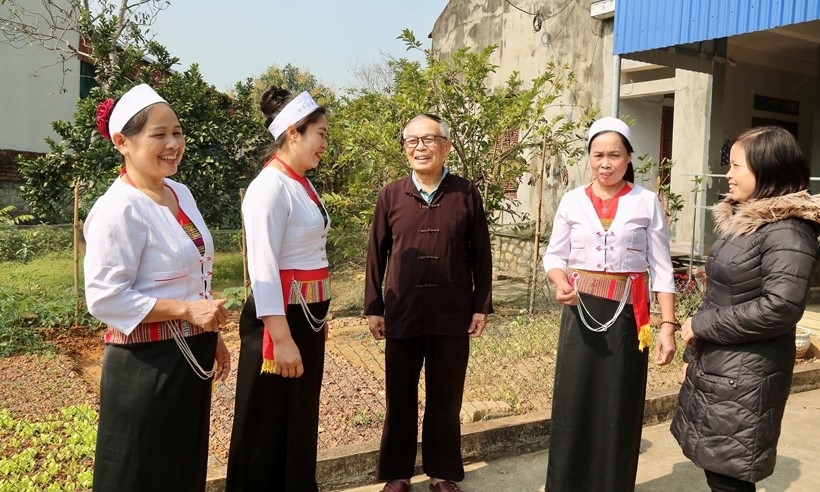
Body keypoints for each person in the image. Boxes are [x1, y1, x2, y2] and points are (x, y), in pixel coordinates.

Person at [84, 83, 231, 492]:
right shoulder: (118, 208)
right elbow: (104, 296)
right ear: (122, 142)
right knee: (139, 474)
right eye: (159, 134)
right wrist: (186, 313)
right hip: (145, 365)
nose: (173, 144)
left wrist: (208, 331)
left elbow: (193, 272)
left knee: (182, 468)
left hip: (189, 354)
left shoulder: (179, 193)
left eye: (178, 132)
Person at [671, 126, 820, 492]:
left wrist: (702, 324)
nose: (728, 174)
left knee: (729, 478)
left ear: (768, 169)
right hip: (725, 368)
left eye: (737, 166)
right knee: (719, 472)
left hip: (746, 375)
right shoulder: (752, 223)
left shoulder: (787, 232)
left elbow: (781, 307)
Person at [541, 116, 677, 491]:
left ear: (629, 157)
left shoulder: (647, 202)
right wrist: (560, 282)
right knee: (574, 401)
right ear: (588, 157)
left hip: (628, 318)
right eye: (598, 154)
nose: (606, 163)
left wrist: (667, 326)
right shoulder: (571, 201)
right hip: (580, 311)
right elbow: (554, 256)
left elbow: (661, 269)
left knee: (619, 405)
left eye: (615, 155)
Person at [364, 113, 493, 492]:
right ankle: (398, 474)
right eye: (412, 141)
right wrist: (374, 306)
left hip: (452, 313)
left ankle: (442, 473)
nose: (420, 147)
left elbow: (481, 254)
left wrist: (480, 305)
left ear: (446, 145)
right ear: (405, 149)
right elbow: (376, 253)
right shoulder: (391, 194)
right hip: (402, 311)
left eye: (428, 139)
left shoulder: (465, 192)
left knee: (446, 396)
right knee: (399, 394)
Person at [225, 87, 330, 492]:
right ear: (293, 133)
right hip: (279, 321)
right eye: (320, 133)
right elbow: (263, 267)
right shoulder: (269, 187)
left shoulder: (301, 183)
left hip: (307, 318)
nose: (324, 143)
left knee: (298, 417)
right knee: (265, 421)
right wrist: (282, 338)